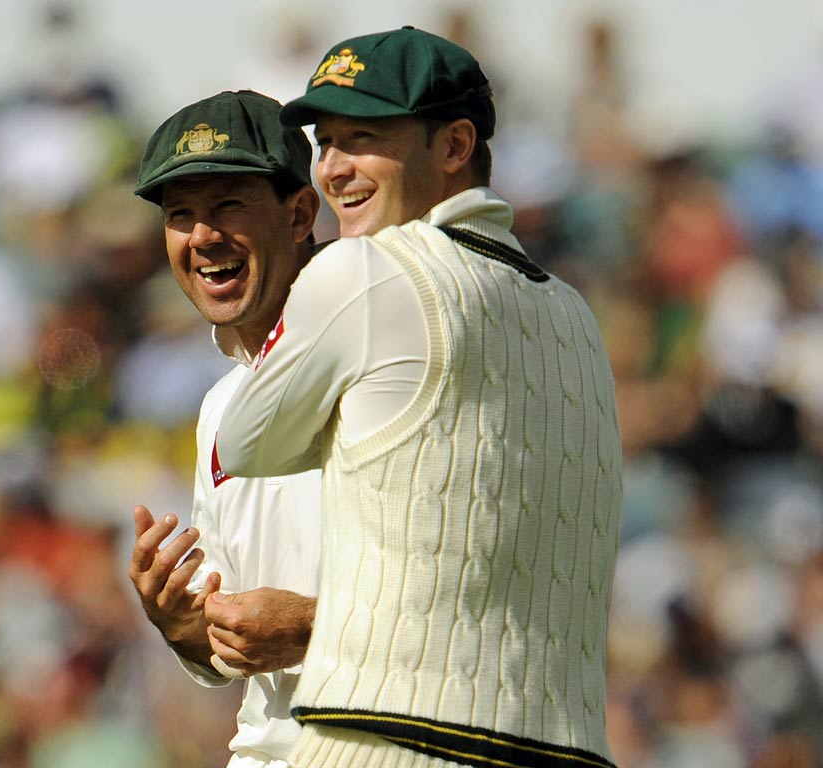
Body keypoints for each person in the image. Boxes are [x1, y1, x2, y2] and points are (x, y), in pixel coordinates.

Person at [216, 27, 624, 768]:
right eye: (325, 140)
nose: (332, 170)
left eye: (364, 137)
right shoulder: (574, 311)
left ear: (455, 145)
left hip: (387, 738)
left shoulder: (362, 270)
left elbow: (243, 444)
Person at [128, 90, 323, 768]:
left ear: (300, 213)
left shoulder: (380, 365)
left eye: (228, 206)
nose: (203, 235)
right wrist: (187, 631)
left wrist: (312, 628)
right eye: (181, 214)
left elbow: (474, 595)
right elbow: (241, 650)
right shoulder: (221, 404)